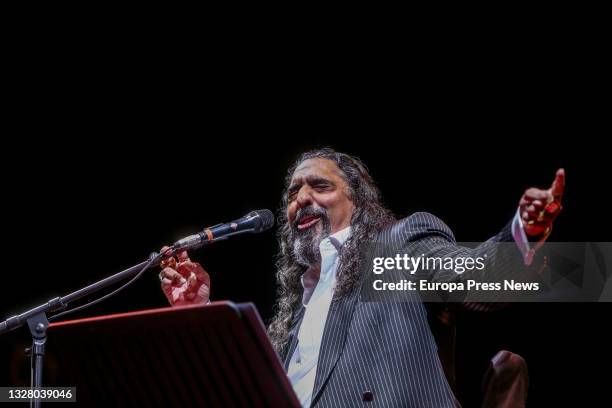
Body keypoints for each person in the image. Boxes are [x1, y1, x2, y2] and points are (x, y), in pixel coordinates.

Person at [159, 148, 564, 407]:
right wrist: (198, 313)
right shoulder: (294, 311)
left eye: (320, 186)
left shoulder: (392, 250)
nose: (302, 199)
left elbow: (479, 279)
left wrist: (525, 234)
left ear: (359, 203)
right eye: (293, 193)